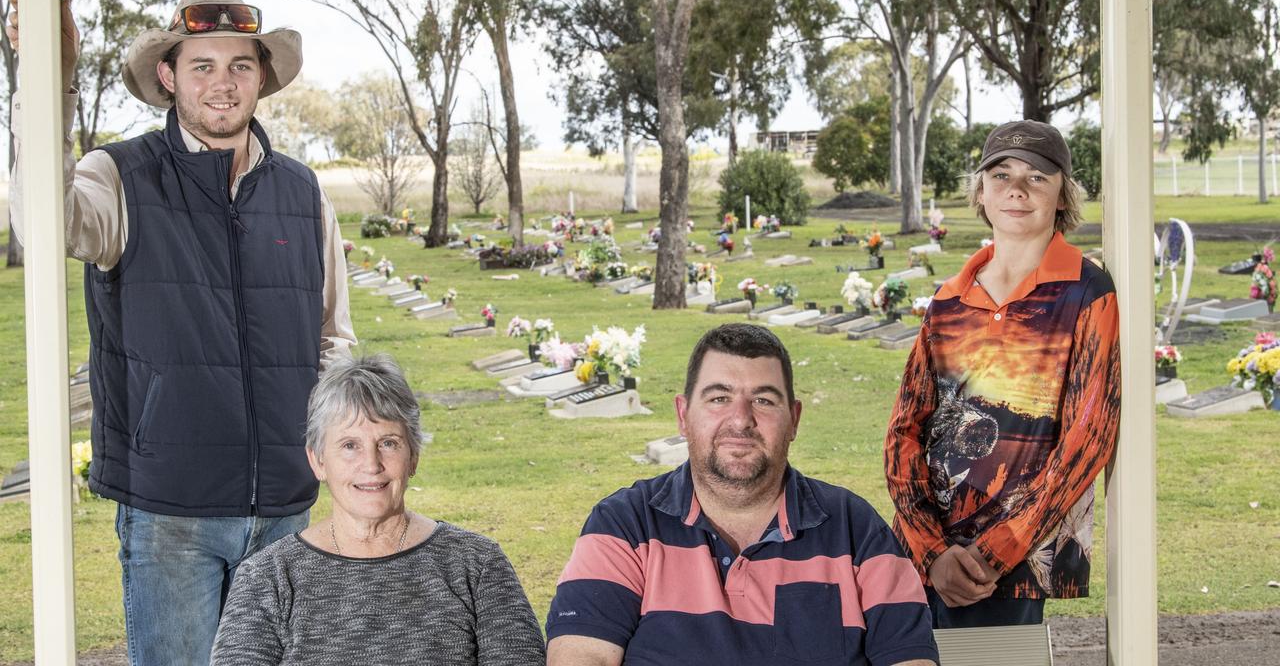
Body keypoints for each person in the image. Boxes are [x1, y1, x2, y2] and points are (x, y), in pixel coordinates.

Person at [8, 0, 356, 665]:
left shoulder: (301, 190)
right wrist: (51, 79)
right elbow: (39, 224)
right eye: (202, 65)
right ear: (168, 76)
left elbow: (334, 341)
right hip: (170, 513)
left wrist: (331, 459)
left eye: (239, 66)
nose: (221, 84)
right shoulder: (119, 176)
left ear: (261, 79)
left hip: (287, 509)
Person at [546, 323, 938, 666]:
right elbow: (583, 656)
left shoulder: (856, 530)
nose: (740, 419)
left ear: (794, 420)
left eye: (763, 400)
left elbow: (910, 659)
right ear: (683, 416)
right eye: (719, 398)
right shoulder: (623, 525)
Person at [884, 120, 1120, 628]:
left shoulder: (1087, 291)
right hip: (927, 556)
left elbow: (1090, 437)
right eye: (1001, 174)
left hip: (1016, 561)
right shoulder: (949, 298)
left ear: (1063, 195)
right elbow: (905, 428)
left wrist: (995, 551)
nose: (1016, 189)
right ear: (982, 193)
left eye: (1037, 176)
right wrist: (930, 549)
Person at [209, 354, 545, 666]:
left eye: (388, 443)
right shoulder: (268, 578)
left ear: (413, 456)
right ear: (318, 461)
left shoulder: (478, 564)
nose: (371, 465)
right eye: (349, 445)